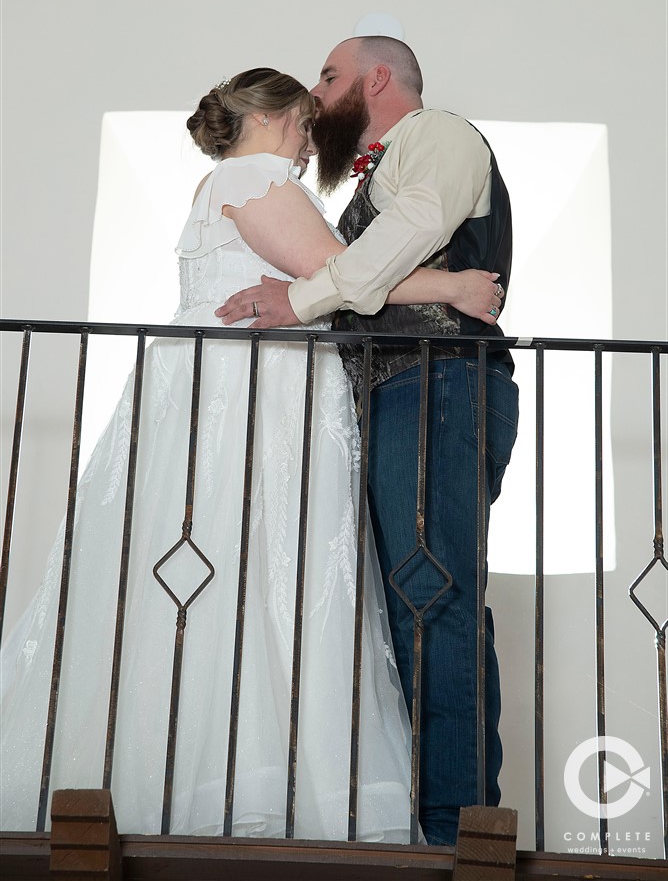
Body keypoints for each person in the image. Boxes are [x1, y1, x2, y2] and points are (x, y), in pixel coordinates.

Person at [0, 67, 501, 843]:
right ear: (270, 117)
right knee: (264, 561)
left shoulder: (235, 182)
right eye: (304, 121)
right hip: (256, 395)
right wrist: (458, 285)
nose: (309, 143)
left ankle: (210, 767)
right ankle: (262, 778)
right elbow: (329, 273)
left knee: (230, 569)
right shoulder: (259, 177)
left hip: (238, 388)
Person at [216, 40, 520, 847]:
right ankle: (409, 816)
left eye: (327, 77)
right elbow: (370, 266)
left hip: (439, 382)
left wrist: (304, 298)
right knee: (394, 605)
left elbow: (414, 228)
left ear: (376, 79)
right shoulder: (362, 176)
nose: (316, 98)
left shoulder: (440, 136)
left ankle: (456, 828)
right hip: (390, 395)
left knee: (430, 592)